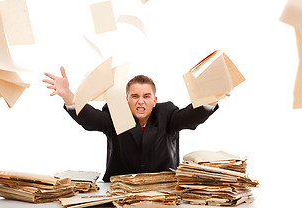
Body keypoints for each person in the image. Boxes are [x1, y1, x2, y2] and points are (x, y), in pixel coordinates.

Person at [43, 66, 220, 182]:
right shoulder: (115, 113)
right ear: (126, 100)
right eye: (135, 96)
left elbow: (189, 117)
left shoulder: (167, 113)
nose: (140, 101)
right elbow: (91, 119)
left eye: (146, 96)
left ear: (154, 100)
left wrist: (210, 100)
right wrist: (68, 95)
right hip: (119, 190)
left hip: (163, 190)